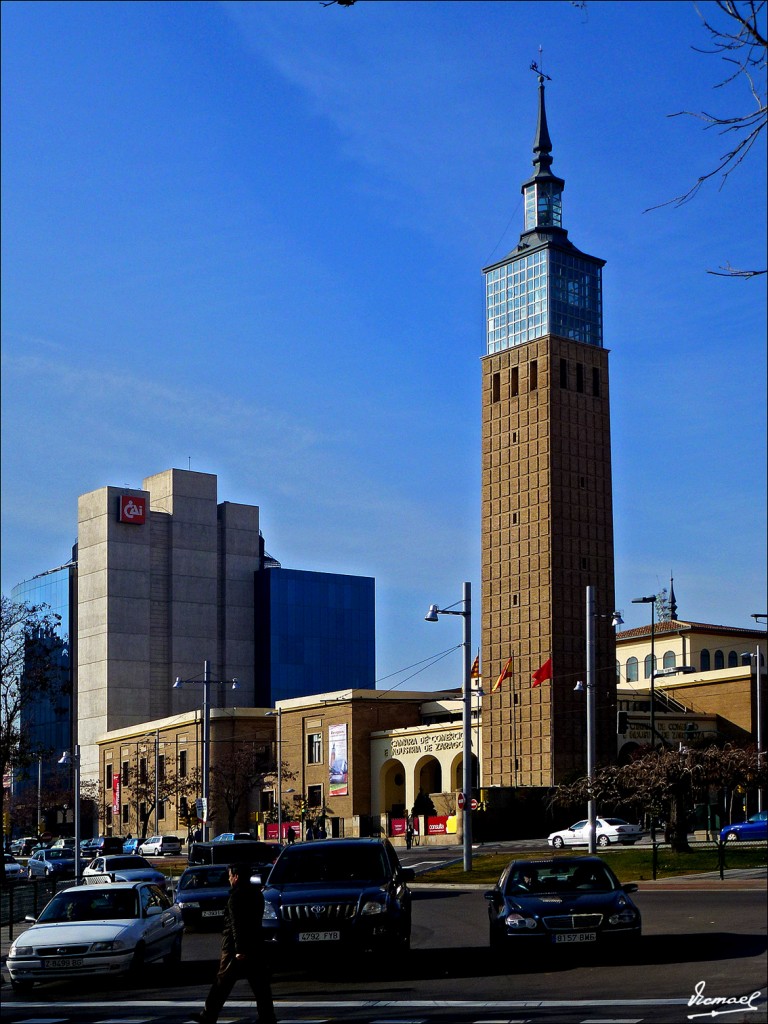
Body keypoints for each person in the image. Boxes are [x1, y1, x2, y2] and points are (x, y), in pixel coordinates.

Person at [196, 863, 276, 1024]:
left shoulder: (236, 897)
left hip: (234, 948)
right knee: (260, 984)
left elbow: (236, 924)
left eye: (230, 876)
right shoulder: (257, 894)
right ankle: (267, 1017)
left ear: (236, 877)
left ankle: (208, 1015)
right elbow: (256, 920)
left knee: (222, 983)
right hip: (255, 944)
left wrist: (239, 949)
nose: (229, 879)